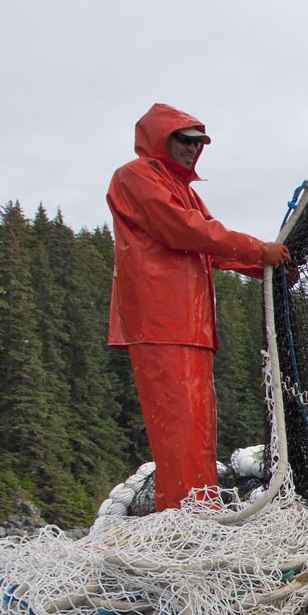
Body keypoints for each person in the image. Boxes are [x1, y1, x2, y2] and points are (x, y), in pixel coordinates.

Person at [107, 104, 290, 512]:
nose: (193, 149)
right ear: (160, 139)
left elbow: (213, 250)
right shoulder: (134, 176)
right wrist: (259, 249)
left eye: (199, 142)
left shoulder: (186, 190)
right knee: (179, 428)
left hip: (191, 327)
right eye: (184, 140)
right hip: (159, 322)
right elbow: (181, 229)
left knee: (198, 429)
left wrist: (267, 269)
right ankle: (185, 521)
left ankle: (199, 512)